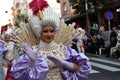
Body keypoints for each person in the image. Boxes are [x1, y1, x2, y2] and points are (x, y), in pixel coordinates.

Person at [11, 0, 91, 80]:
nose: (49, 34)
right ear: (40, 33)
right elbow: (22, 76)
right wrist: (32, 62)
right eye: (45, 31)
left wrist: (64, 63)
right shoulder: (33, 52)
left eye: (51, 31)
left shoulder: (64, 50)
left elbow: (80, 68)